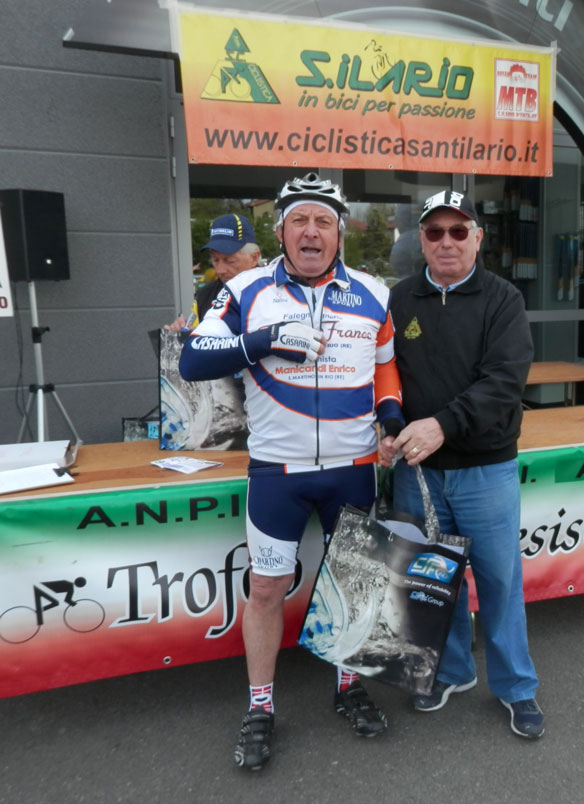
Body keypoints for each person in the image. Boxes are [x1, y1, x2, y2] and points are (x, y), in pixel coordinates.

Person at [178, 173, 404, 771]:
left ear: (339, 234)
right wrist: (264, 340)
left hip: (354, 468)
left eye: (323, 221)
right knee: (266, 589)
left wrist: (390, 416)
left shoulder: (373, 292)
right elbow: (192, 358)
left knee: (351, 582)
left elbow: (385, 367)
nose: (311, 231)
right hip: (278, 471)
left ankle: (348, 685)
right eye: (299, 220)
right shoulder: (246, 288)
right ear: (280, 232)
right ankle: (260, 706)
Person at [379, 188, 544, 739]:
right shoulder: (399, 299)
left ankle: (516, 687)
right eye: (434, 232)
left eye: (458, 231)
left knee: (499, 582)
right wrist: (388, 424)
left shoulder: (503, 299)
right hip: (418, 472)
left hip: (484, 470)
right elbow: (384, 374)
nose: (446, 241)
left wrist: (441, 425)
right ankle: (451, 672)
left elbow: (503, 383)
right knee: (433, 581)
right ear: (421, 240)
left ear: (478, 238)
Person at [165, 213, 261, 331]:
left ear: (254, 258)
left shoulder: (274, 292)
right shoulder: (204, 296)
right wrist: (183, 335)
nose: (220, 270)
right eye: (215, 260)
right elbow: (193, 334)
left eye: (230, 261)